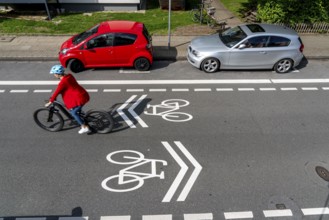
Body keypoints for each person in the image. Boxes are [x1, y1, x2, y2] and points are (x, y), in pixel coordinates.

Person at [46, 65, 90, 134]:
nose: (54, 75)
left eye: (54, 74)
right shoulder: (69, 76)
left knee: (73, 113)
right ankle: (81, 115)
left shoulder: (63, 82)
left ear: (58, 74)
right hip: (83, 94)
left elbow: (57, 92)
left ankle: (84, 127)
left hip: (79, 99)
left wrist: (50, 101)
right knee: (76, 110)